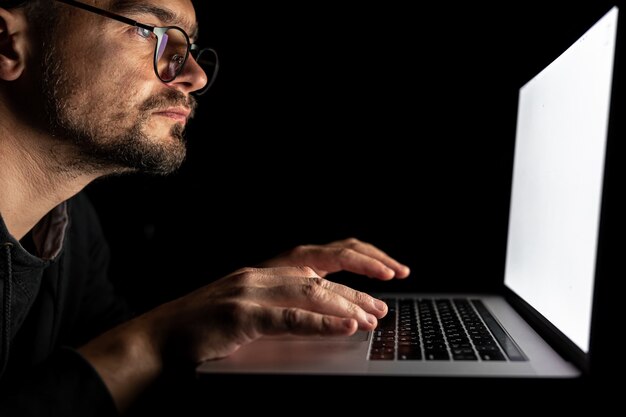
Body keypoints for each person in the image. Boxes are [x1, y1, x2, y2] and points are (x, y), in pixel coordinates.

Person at [0, 0, 410, 415]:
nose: (194, 76)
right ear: (7, 44)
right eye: (146, 31)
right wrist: (155, 339)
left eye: (189, 46)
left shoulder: (72, 225)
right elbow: (131, 349)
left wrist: (251, 301)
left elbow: (106, 362)